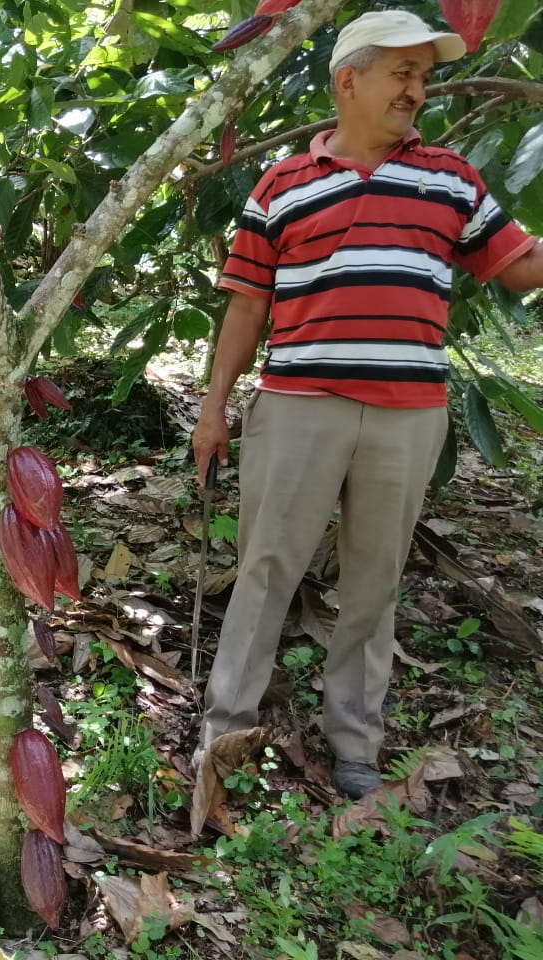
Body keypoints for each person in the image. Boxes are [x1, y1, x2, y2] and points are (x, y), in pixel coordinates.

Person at [192, 10, 543, 800]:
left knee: (374, 582)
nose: (418, 90)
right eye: (403, 74)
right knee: (266, 570)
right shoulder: (280, 184)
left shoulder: (451, 176)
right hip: (296, 406)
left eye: (425, 75)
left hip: (406, 412)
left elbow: (518, 266)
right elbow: (246, 306)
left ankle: (355, 742)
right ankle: (224, 730)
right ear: (349, 80)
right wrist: (214, 408)